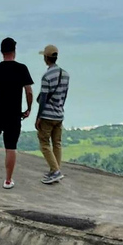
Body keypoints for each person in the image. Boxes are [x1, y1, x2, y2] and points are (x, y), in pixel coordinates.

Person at [0, 37, 34, 189]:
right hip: (13, 113)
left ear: (1, 52)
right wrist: (28, 108)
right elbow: (29, 91)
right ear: (14, 52)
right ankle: (8, 181)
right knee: (11, 147)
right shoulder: (21, 68)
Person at [36, 44, 70, 185]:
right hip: (59, 114)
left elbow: (43, 98)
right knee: (57, 143)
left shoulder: (46, 76)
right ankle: (55, 169)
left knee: (44, 143)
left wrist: (38, 117)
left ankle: (55, 171)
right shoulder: (65, 74)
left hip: (47, 116)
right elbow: (64, 95)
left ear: (46, 58)